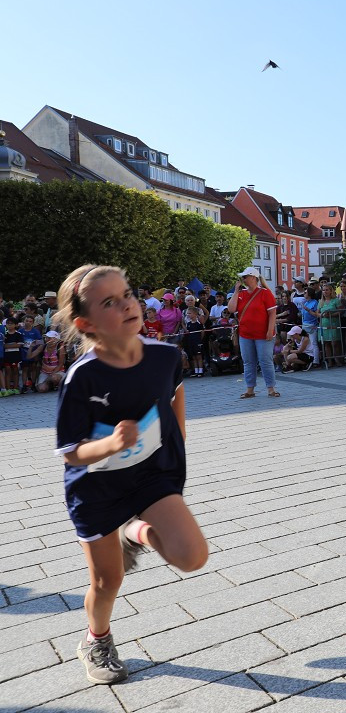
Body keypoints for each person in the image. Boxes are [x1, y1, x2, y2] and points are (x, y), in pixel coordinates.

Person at [52, 264, 207, 685]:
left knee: (192, 556)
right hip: (97, 488)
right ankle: (95, 639)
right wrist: (112, 445)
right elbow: (71, 452)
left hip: (152, 476)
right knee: (107, 581)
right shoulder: (83, 376)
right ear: (86, 324)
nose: (126, 304)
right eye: (109, 302)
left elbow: (174, 391)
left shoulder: (165, 355)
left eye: (127, 294)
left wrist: (178, 442)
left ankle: (132, 530)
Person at [227, 267, 279, 399]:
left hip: (263, 334)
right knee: (248, 361)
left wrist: (269, 330)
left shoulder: (265, 293)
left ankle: (271, 388)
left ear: (254, 278)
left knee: (265, 360)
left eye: (245, 277)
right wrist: (235, 292)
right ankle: (250, 389)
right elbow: (231, 309)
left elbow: (272, 313)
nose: (243, 279)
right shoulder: (241, 294)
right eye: (242, 277)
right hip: (246, 334)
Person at [19, 313, 45, 391]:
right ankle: (24, 385)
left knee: (33, 368)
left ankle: (33, 384)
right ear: (24, 321)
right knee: (25, 369)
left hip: (33, 353)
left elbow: (40, 342)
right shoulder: (20, 331)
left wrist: (36, 350)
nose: (28, 322)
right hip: (23, 353)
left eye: (30, 321)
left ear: (33, 323)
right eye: (27, 321)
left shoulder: (35, 331)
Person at [181, 306, 205, 378]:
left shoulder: (198, 323)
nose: (188, 315)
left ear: (195, 314)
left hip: (197, 341)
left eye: (190, 313)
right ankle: (196, 371)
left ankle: (201, 371)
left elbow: (202, 332)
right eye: (187, 313)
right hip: (191, 342)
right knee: (194, 356)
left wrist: (199, 340)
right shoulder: (188, 324)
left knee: (199, 356)